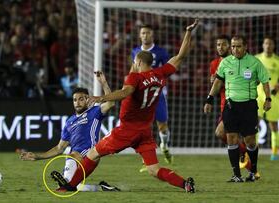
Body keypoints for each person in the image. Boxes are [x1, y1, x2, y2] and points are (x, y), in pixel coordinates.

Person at [51, 19, 199, 193]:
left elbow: (125, 93)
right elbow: (180, 56)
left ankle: (69, 186)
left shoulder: (134, 78)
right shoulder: (161, 74)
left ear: (138, 62)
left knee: (93, 153)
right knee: (154, 169)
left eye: (134, 62)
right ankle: (185, 184)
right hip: (145, 131)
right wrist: (188, 32)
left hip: (127, 130)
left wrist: (101, 97)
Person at [20, 72, 119, 191]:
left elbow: (111, 103)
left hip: (90, 153)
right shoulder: (69, 122)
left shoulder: (95, 111)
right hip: (73, 158)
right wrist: (37, 156)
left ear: (87, 99)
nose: (77, 102)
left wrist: (103, 83)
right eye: (75, 100)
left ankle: (66, 181)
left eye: (81, 99)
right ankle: (102, 188)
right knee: (69, 187)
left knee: (71, 160)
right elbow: (59, 148)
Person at [204, 35, 271, 182]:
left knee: (250, 141)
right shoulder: (225, 63)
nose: (235, 49)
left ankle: (253, 172)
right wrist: (209, 99)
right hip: (231, 106)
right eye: (233, 46)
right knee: (231, 139)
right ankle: (236, 175)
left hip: (248, 106)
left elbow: (265, 81)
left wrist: (268, 98)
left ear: (245, 46)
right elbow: (217, 83)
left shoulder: (254, 62)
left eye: (238, 46)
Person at [209, 35, 255, 174]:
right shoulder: (214, 64)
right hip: (226, 105)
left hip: (242, 104)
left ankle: (249, 161)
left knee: (232, 135)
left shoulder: (239, 61)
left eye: (224, 44)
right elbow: (217, 85)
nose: (220, 47)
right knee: (222, 134)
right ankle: (247, 160)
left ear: (230, 46)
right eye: (218, 44)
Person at [131, 24, 173, 170]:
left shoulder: (161, 52)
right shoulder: (135, 51)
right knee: (142, 126)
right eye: (143, 33)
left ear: (152, 35)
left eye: (148, 33)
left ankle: (164, 144)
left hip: (157, 93)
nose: (145, 35)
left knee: (161, 125)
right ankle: (145, 159)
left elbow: (167, 70)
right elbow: (134, 71)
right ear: (139, 35)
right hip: (141, 95)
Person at [255, 36, 279, 161]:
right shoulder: (257, 59)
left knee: (274, 125)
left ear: (273, 46)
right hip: (258, 95)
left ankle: (275, 152)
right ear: (263, 45)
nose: (268, 45)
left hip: (273, 96)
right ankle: (254, 150)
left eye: (270, 43)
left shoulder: (277, 61)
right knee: (255, 123)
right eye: (266, 43)